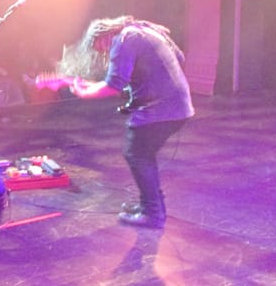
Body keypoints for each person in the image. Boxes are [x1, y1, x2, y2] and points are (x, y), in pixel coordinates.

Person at [44, 15, 194, 229]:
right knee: (143, 155)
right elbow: (178, 57)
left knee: (137, 155)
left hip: (161, 109)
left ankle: (152, 213)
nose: (103, 52)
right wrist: (75, 83)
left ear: (102, 36)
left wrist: (83, 93)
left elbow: (113, 85)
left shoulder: (123, 40)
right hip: (176, 106)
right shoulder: (141, 31)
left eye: (100, 47)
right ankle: (150, 206)